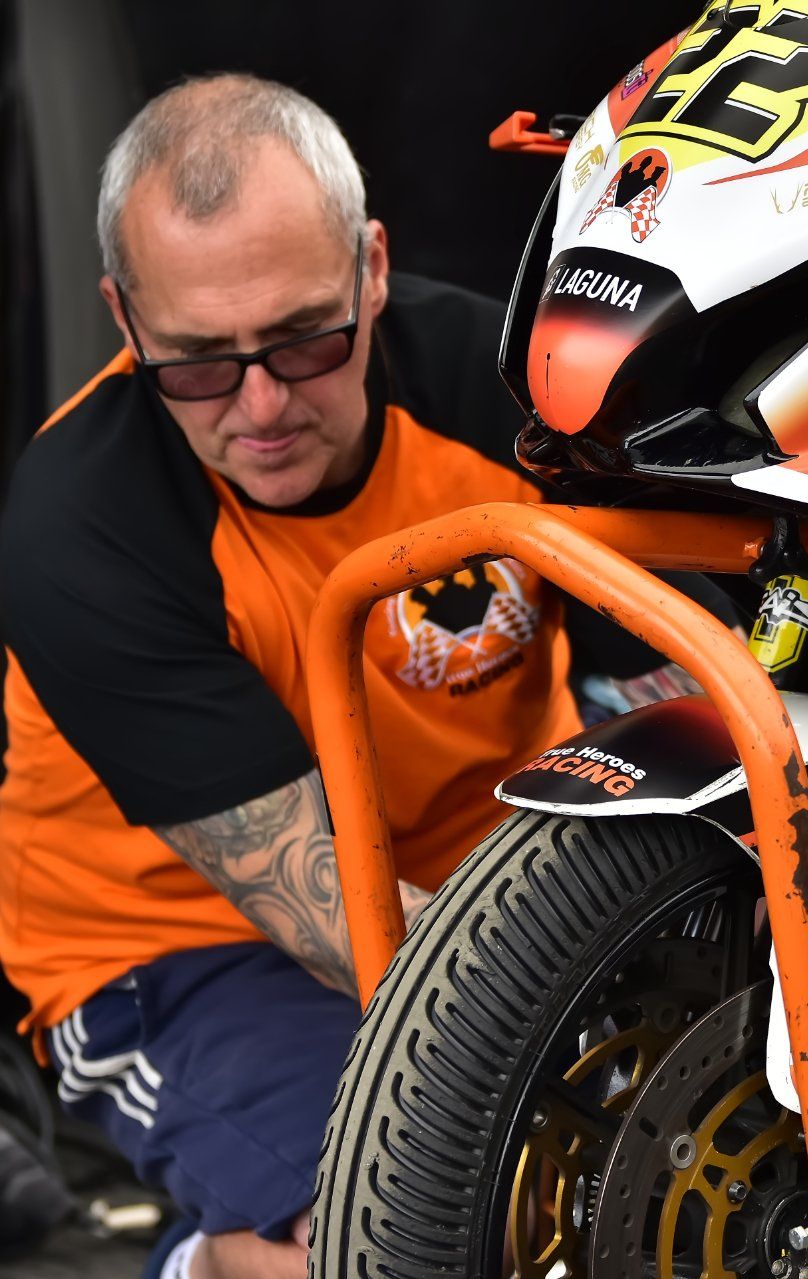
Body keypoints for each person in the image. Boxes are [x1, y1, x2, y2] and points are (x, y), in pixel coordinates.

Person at [0, 74, 701, 1279]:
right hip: (177, 948)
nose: (263, 405)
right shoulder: (82, 530)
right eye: (198, 362)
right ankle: (205, 1263)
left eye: (305, 339)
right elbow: (341, 919)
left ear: (371, 268)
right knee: (402, 1236)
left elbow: (684, 685)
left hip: (498, 879)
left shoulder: (517, 398)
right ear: (125, 318)